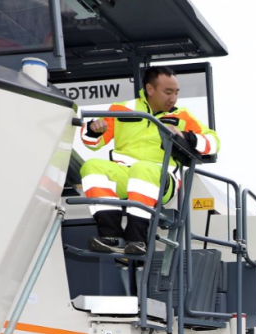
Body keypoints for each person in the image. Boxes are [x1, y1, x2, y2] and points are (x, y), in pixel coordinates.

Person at [81, 66, 219, 254]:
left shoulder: (182, 115)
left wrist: (187, 136)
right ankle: (111, 236)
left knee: (142, 169)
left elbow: (213, 142)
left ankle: (137, 238)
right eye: (168, 92)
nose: (173, 98)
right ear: (150, 89)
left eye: (176, 93)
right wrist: (92, 129)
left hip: (164, 181)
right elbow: (92, 142)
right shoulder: (121, 109)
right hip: (126, 175)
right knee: (92, 166)